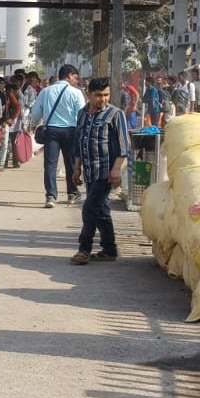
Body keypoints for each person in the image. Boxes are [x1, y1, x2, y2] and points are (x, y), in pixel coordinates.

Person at [70, 77, 128, 265]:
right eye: (98, 95)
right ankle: (109, 249)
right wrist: (77, 168)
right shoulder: (82, 114)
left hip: (106, 172)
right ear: (89, 95)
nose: (102, 99)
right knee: (101, 210)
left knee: (89, 208)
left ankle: (84, 249)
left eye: (106, 95)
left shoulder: (115, 114)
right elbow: (79, 144)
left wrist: (116, 170)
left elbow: (123, 146)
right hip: (89, 171)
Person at [28, 64, 86, 207]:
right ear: (69, 75)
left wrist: (34, 124)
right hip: (71, 131)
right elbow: (81, 114)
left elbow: (36, 112)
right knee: (71, 163)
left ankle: (51, 196)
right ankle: (72, 193)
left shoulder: (46, 92)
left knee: (50, 165)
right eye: (75, 78)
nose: (76, 81)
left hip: (51, 131)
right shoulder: (76, 93)